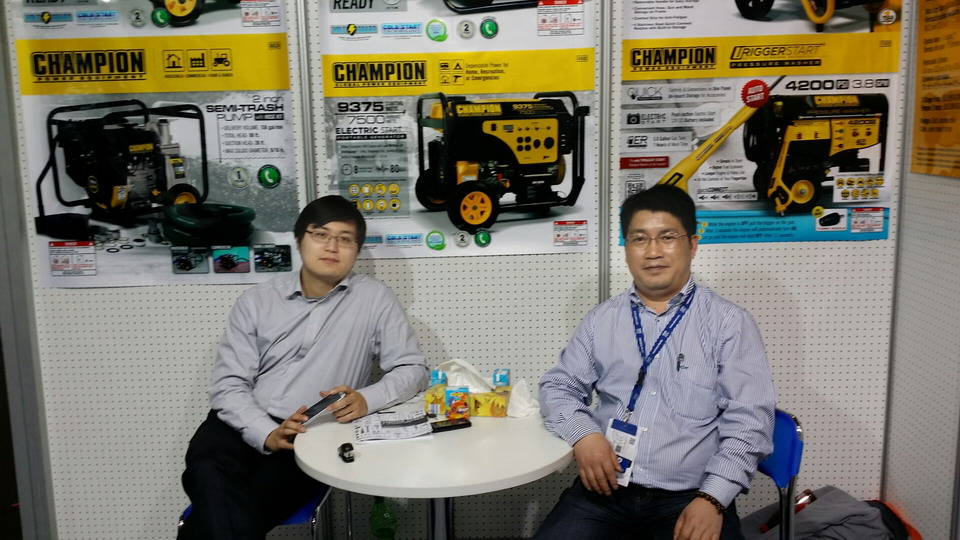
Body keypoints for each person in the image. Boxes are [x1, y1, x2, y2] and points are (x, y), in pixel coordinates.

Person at [179, 195, 429, 540]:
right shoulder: (256, 301)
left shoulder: (374, 299)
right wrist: (265, 432)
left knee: (227, 511)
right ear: (299, 240)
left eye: (345, 239)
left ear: (357, 250)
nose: (332, 246)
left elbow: (413, 369)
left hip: (308, 437)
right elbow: (227, 385)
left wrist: (366, 399)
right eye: (320, 234)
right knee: (208, 469)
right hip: (236, 424)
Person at [536, 185, 776, 540]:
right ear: (626, 249)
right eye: (639, 239)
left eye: (667, 237)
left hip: (691, 496)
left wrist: (713, 498)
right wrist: (584, 435)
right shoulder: (601, 320)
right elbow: (558, 387)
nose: (652, 252)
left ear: (692, 245)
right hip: (606, 489)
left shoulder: (729, 323)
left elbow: (750, 421)